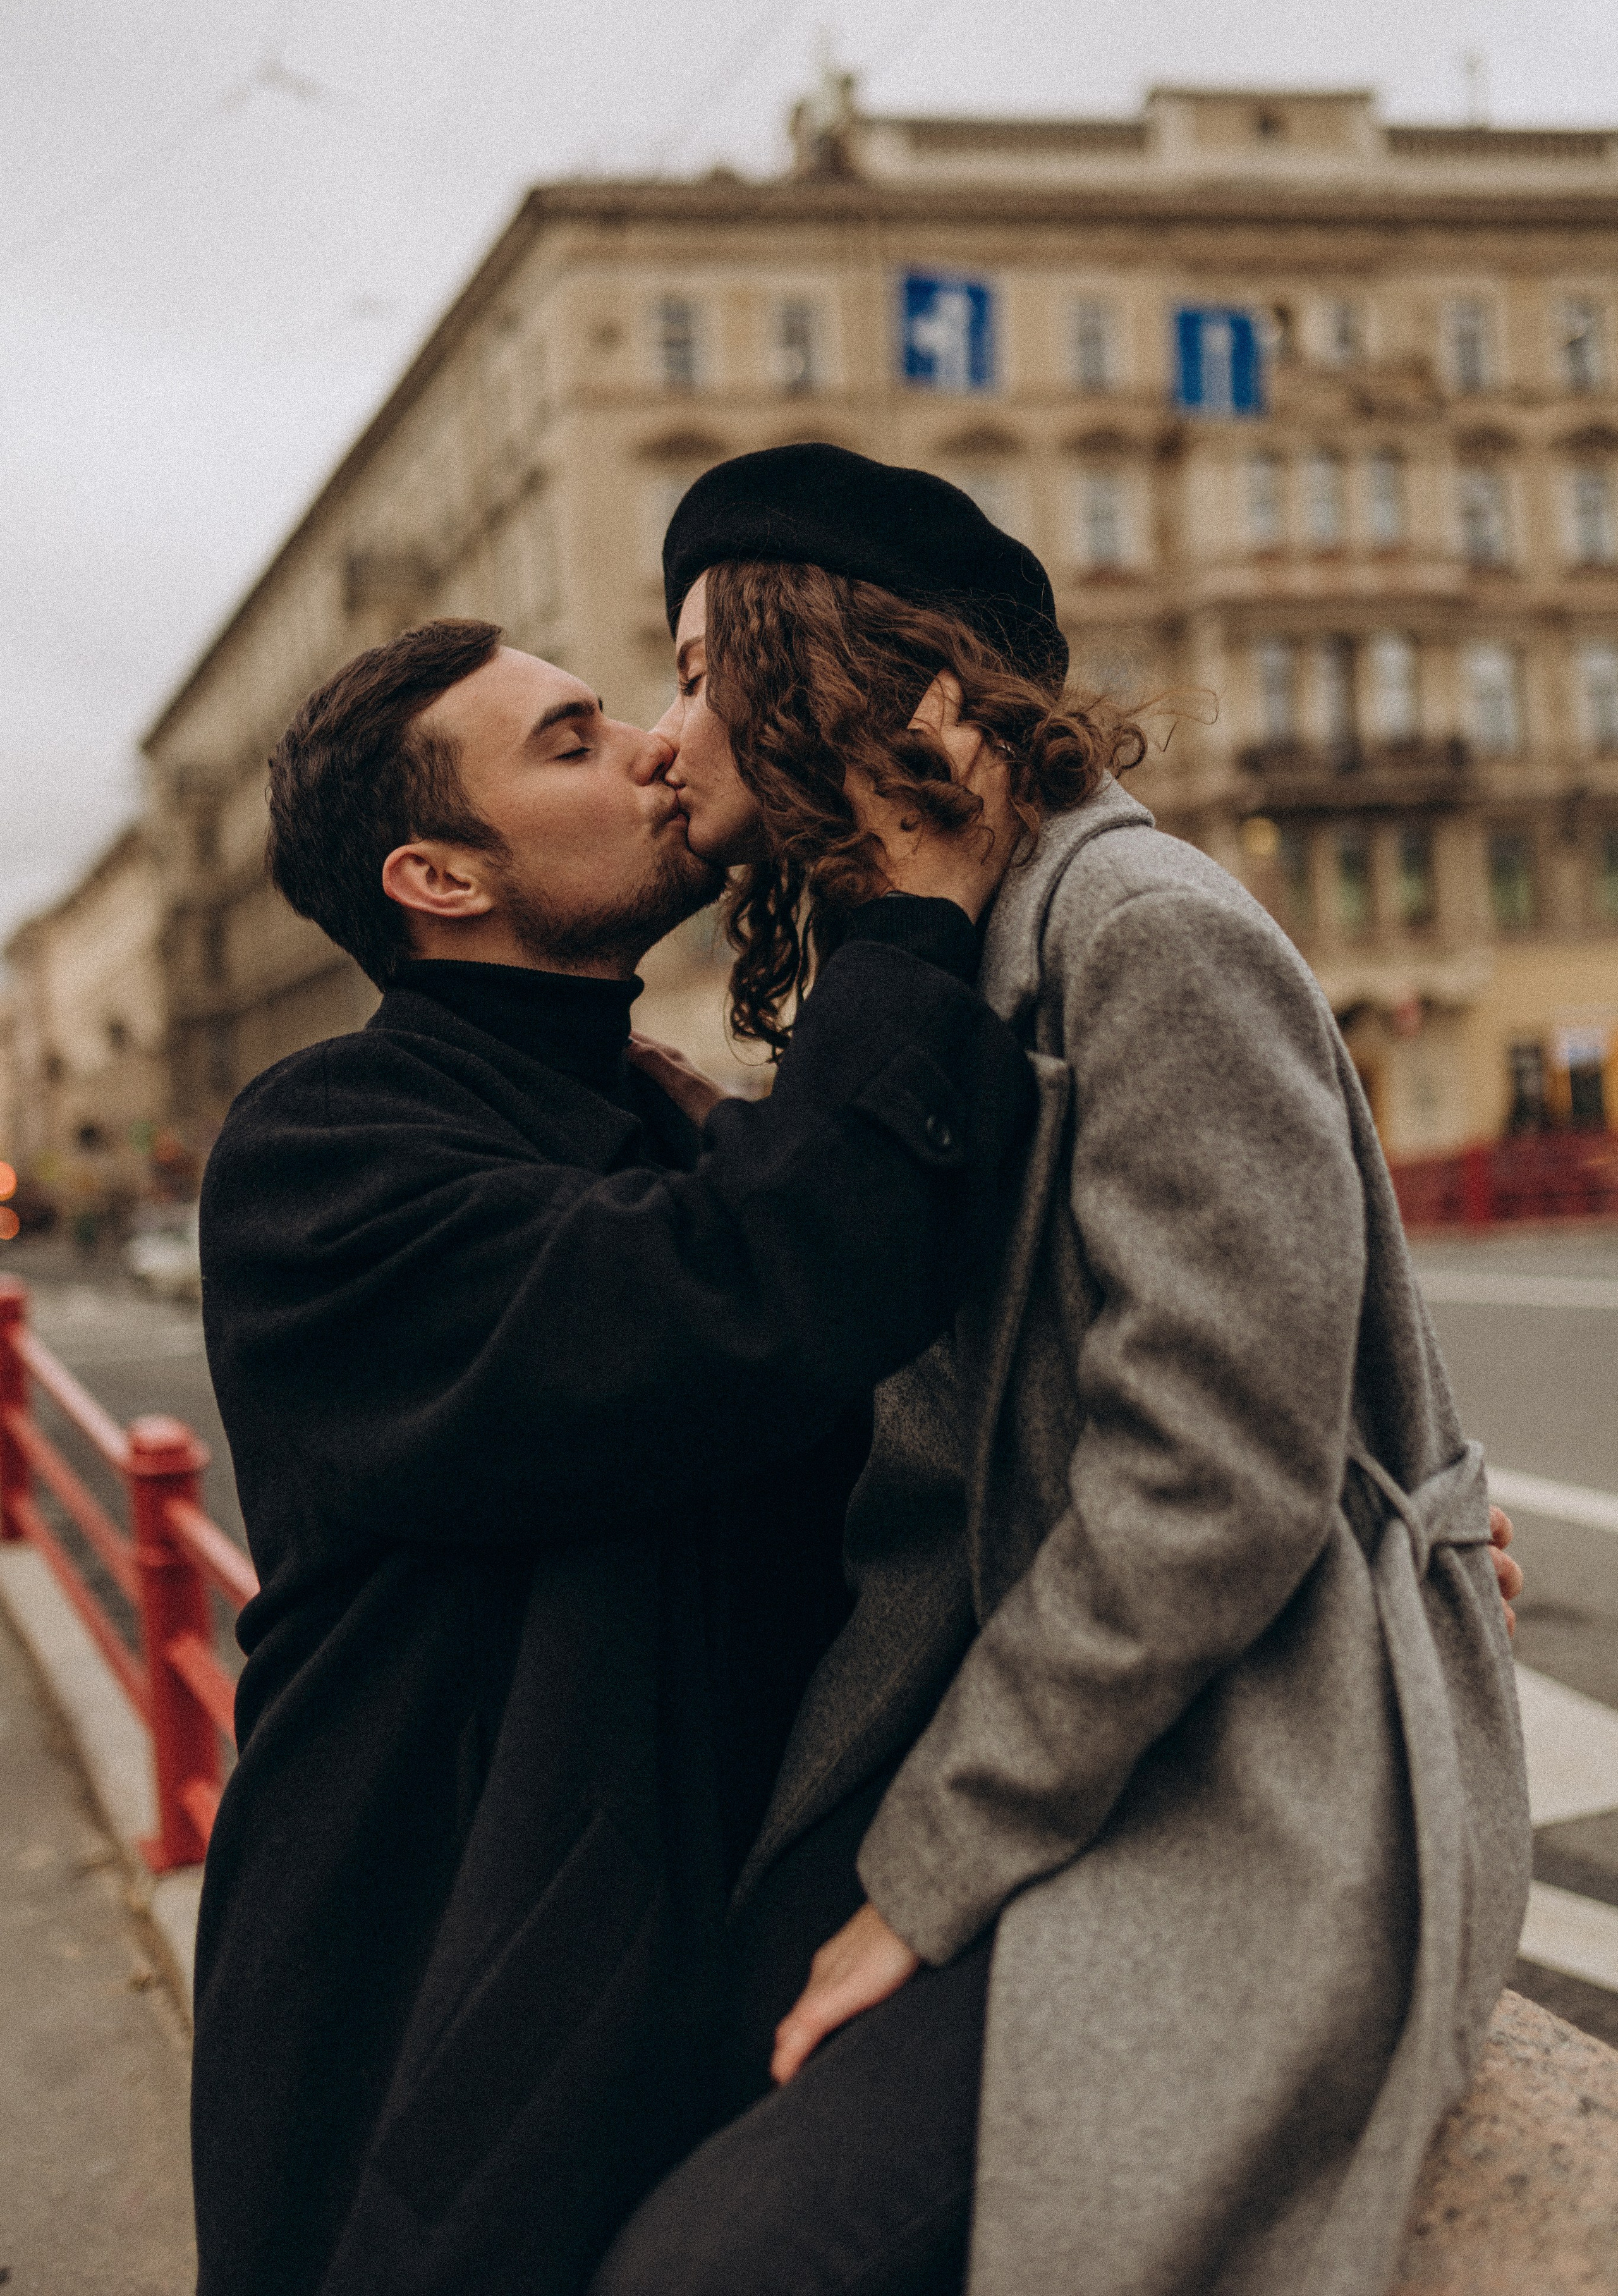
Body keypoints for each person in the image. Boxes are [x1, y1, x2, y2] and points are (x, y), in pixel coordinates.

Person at [590, 443, 1532, 2296]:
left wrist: (926, 1879)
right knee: (659, 2073)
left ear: (822, 670)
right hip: (1044, 1710)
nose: (661, 734)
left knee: (720, 2265)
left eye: (700, 673)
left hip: (1255, 1761)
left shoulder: (1142, 933)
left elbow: (1217, 1483)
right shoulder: (947, 952)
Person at [189, 614, 1038, 2296]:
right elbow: (738, 1304)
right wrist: (910, 922)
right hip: (432, 2012)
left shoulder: (666, 1121)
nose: (658, 746)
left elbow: (949, 1450)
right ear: (440, 878)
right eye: (571, 742)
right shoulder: (319, 1157)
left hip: (689, 1976)